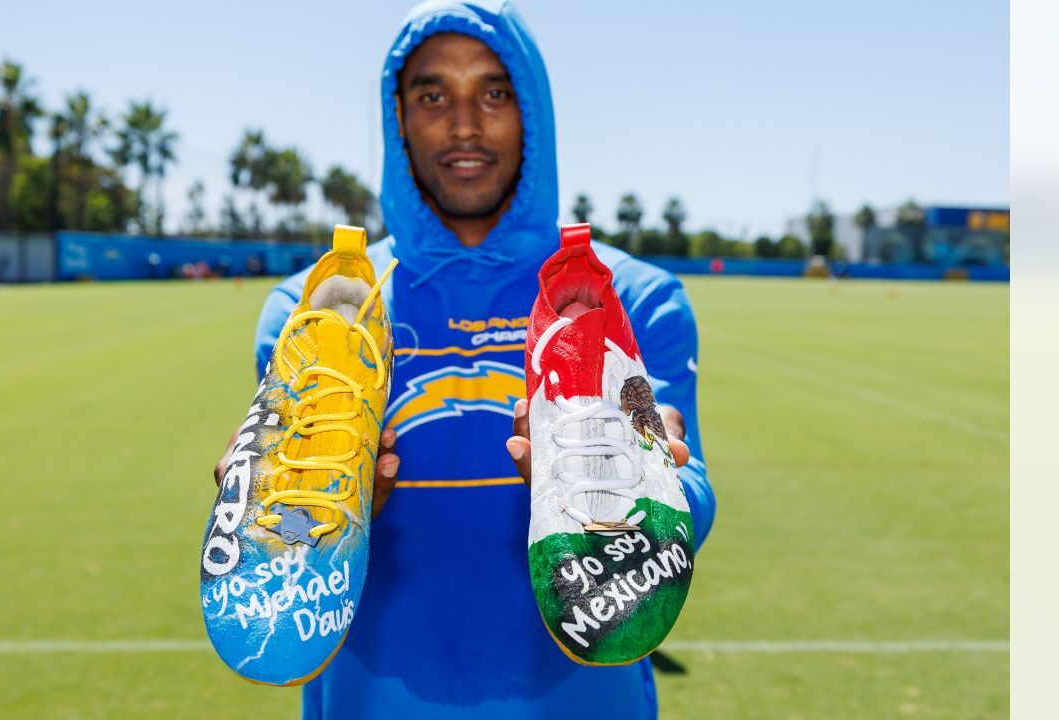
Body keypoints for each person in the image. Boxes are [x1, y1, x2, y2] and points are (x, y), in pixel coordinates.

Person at [213, 2, 715, 717]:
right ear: (398, 119)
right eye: (432, 95)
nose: (465, 124)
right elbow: (288, 557)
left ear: (532, 114)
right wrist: (275, 521)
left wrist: (650, 486)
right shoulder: (322, 309)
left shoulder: (629, 297)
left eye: (495, 92)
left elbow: (692, 508)